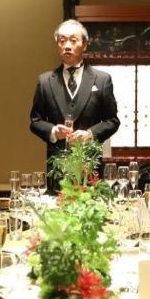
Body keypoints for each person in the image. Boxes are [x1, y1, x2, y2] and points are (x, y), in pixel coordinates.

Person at [29, 19, 120, 191]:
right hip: (57, 166)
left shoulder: (102, 80)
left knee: (89, 206)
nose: (67, 46)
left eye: (73, 40)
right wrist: (53, 131)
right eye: (62, 41)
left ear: (84, 44)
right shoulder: (45, 81)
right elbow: (35, 121)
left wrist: (90, 134)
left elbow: (112, 121)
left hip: (90, 166)